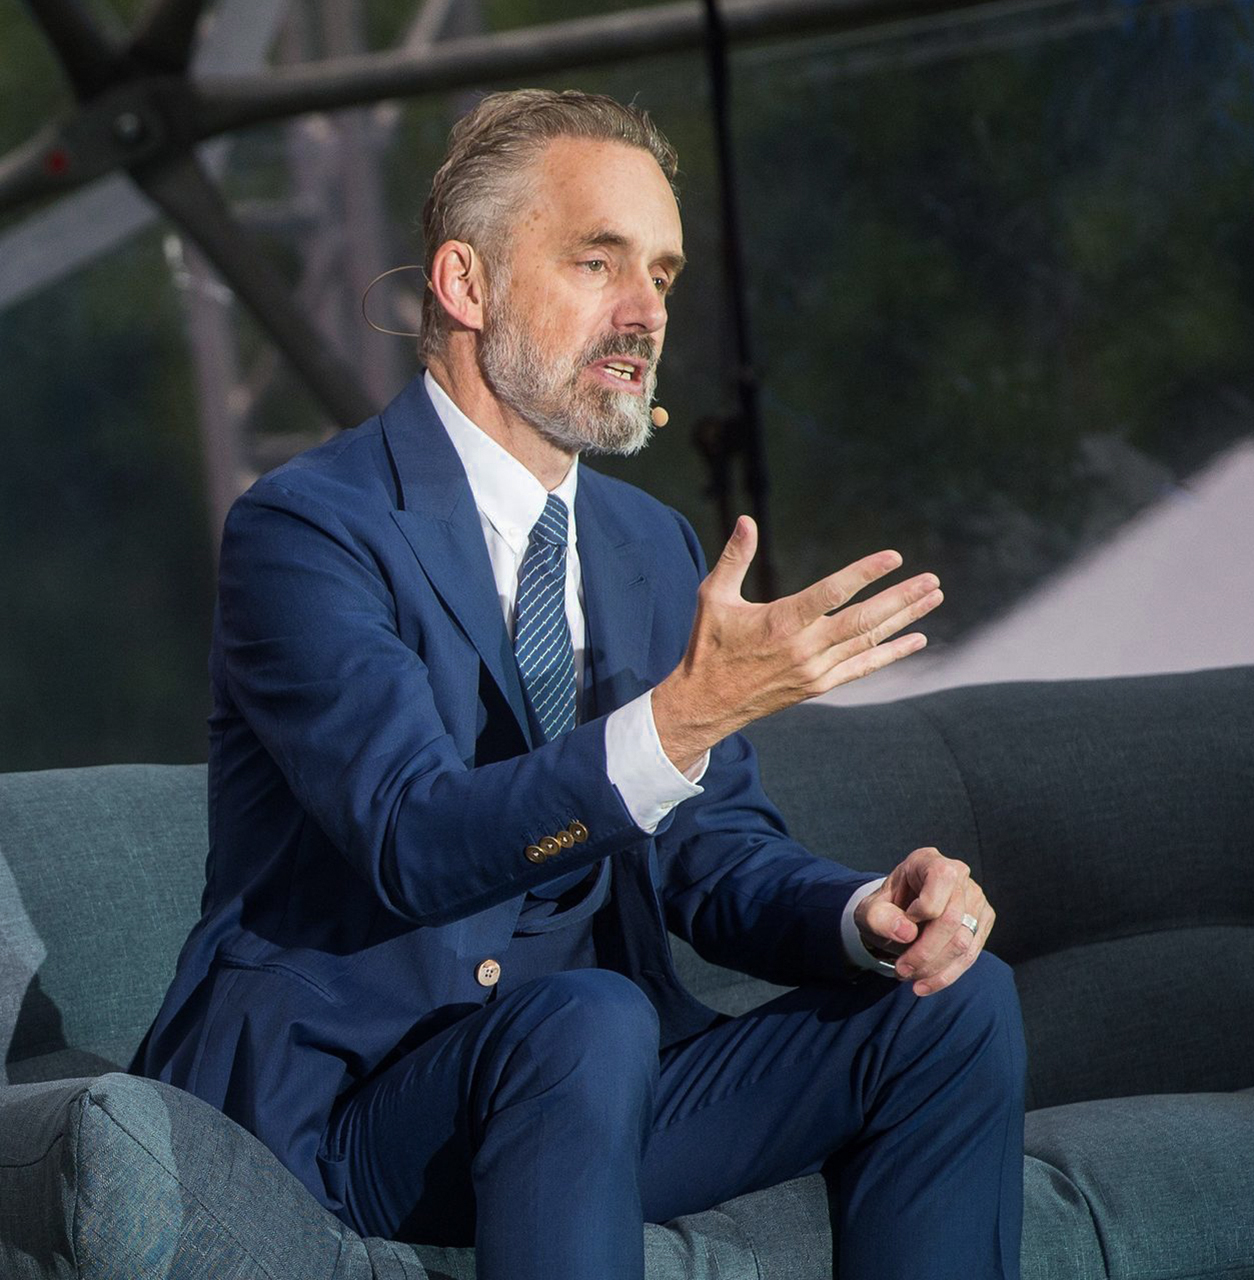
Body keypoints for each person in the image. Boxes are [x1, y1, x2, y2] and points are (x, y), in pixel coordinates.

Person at [133, 89, 1025, 1279]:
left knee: (951, 1004)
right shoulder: (307, 528)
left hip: (590, 1087)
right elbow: (410, 832)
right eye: (596, 259)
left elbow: (711, 856)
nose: (644, 310)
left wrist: (861, 914)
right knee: (591, 1015)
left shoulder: (646, 543)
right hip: (352, 1108)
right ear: (465, 283)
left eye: (660, 271)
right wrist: (681, 718)